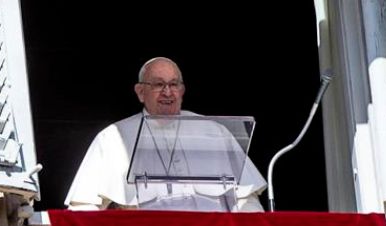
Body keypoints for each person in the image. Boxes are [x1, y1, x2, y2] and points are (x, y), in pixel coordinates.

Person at [64, 57, 266, 211]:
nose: (168, 92)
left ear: (182, 90)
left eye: (174, 84)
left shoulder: (214, 132)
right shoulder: (113, 139)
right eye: (159, 85)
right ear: (140, 92)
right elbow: (84, 206)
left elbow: (247, 200)